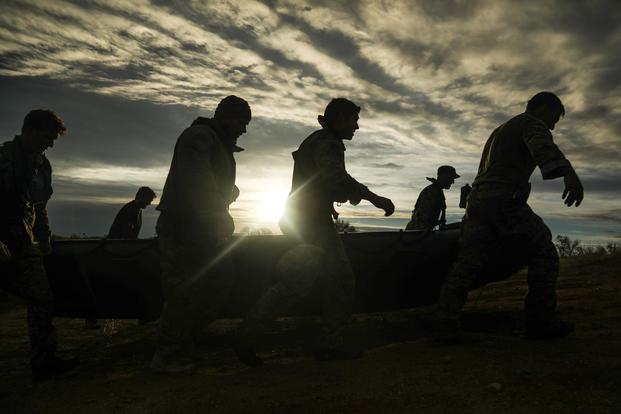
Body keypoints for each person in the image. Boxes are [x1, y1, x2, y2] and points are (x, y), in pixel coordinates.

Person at [232, 98, 395, 367]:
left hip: (305, 218)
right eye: (353, 120)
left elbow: (317, 182)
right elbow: (335, 177)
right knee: (329, 281)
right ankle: (255, 336)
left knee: (313, 281)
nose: (357, 126)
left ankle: (254, 335)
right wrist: (374, 198)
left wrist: (327, 204)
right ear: (340, 118)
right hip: (309, 222)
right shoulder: (327, 143)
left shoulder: (321, 140)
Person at [434, 92, 584, 343]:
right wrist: (568, 172)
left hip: (478, 202)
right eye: (554, 117)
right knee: (544, 250)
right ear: (544, 108)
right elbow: (542, 146)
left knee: (468, 262)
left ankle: (444, 325)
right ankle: (540, 322)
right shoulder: (531, 123)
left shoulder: (501, 129)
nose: (554, 125)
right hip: (502, 200)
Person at [150, 96, 251, 374]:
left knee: (219, 282)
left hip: (204, 230)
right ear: (225, 116)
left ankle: (184, 343)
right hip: (182, 226)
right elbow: (198, 180)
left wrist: (228, 196)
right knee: (183, 290)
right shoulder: (199, 136)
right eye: (241, 121)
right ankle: (167, 355)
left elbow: (210, 183)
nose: (244, 129)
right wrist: (219, 216)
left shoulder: (220, 146)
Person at [0, 109, 79, 380]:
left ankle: (44, 361)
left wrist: (44, 239)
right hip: (2, 241)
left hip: (23, 244)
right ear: (30, 131)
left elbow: (39, 205)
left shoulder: (43, 166)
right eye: (47, 136)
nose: (51, 143)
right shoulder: (4, 159)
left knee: (42, 298)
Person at [405, 165, 460, 231]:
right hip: (415, 235)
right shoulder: (431, 192)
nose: (453, 182)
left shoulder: (437, 192)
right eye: (452, 178)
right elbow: (420, 219)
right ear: (445, 176)